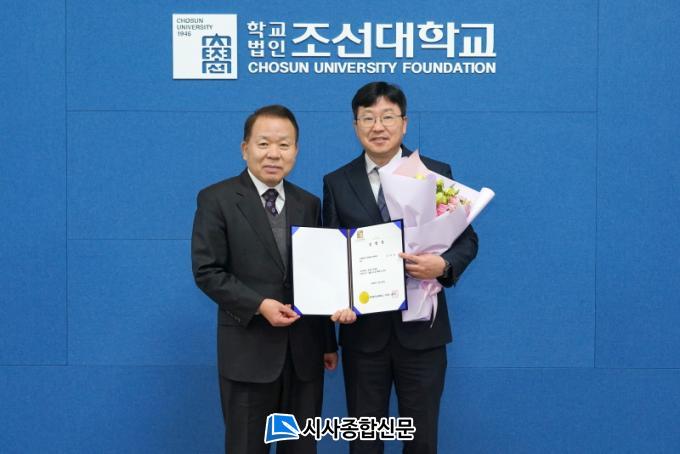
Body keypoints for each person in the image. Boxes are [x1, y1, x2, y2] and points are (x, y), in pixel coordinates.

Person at [323, 82, 479, 453]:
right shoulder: (337, 182)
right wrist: (335, 307)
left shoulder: (433, 172)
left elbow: (466, 241)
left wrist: (442, 265)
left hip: (423, 335)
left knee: (421, 438)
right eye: (368, 118)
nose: (378, 126)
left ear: (404, 123)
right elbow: (331, 256)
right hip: (363, 336)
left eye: (388, 117)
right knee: (364, 442)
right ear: (355, 125)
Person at [191, 105, 342, 454]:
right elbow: (207, 271)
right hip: (248, 355)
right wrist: (259, 305)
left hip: (304, 357)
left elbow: (318, 275)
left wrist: (327, 343)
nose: (274, 153)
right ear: (245, 148)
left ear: (296, 151)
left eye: (284, 144)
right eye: (264, 143)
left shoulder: (309, 203)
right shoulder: (216, 199)